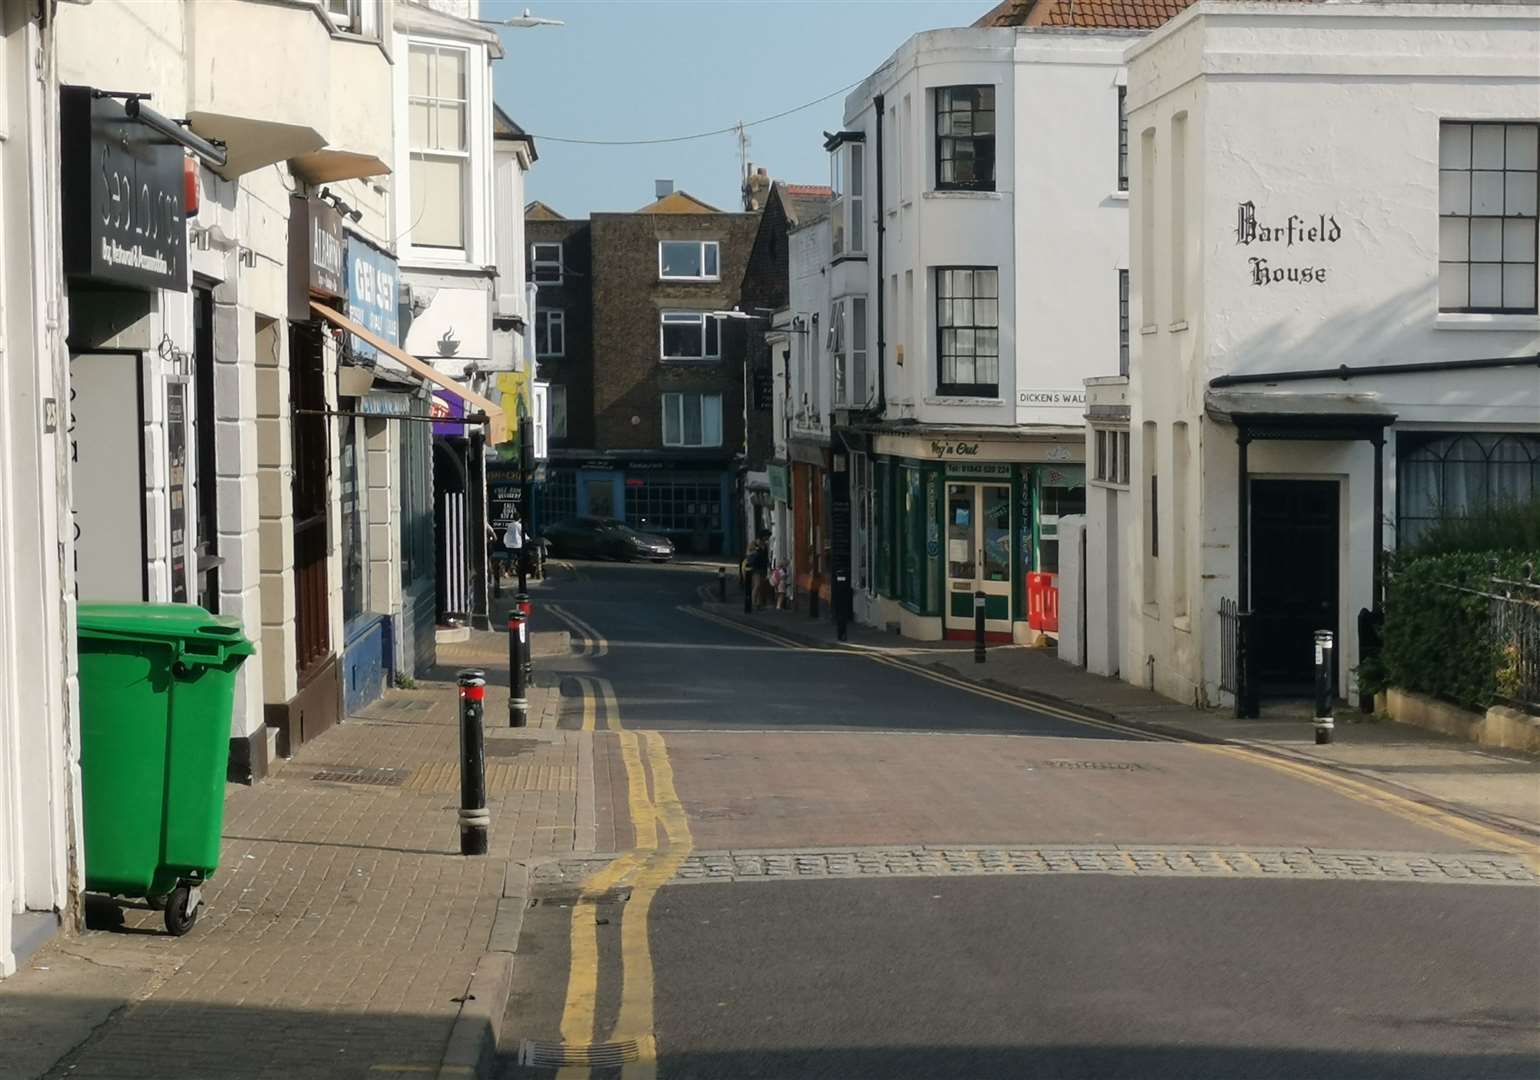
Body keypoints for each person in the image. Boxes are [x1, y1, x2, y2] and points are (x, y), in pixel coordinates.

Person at [748, 537, 771, 609]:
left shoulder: (765, 546)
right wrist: (757, 550)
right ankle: (752, 602)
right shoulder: (753, 545)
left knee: (761, 586)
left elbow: (766, 557)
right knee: (757, 585)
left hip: (763, 568)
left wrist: (768, 565)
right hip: (755, 568)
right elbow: (750, 556)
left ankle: (759, 603)